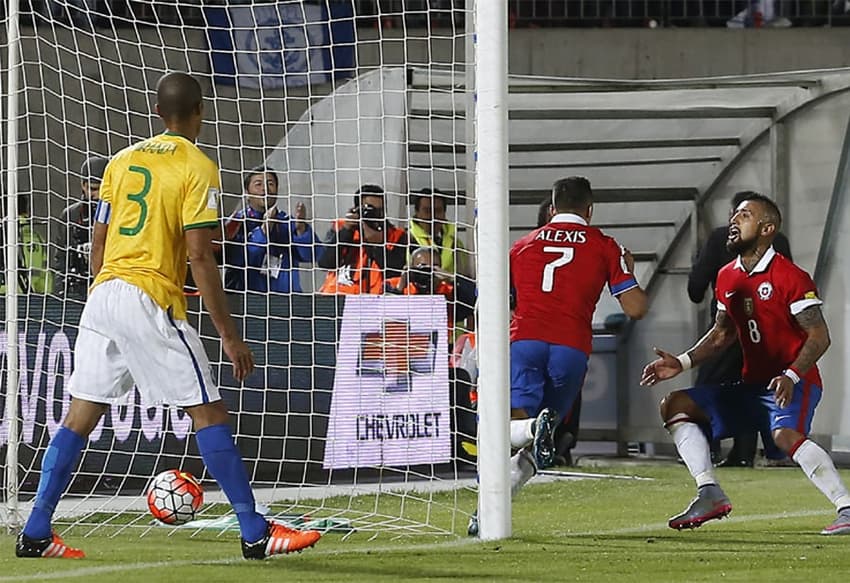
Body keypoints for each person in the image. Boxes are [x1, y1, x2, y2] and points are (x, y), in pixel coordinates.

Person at [15, 72, 321, 561]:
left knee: (80, 413)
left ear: (158, 114)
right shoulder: (199, 167)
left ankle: (35, 531)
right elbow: (200, 257)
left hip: (104, 293)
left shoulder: (121, 160)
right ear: (200, 112)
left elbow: (99, 238)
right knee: (209, 411)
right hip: (147, 296)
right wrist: (229, 335)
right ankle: (254, 531)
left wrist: (105, 292)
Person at [640, 193, 850, 535]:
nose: (734, 221)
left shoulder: (790, 276)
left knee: (784, 436)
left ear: (767, 228)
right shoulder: (727, 276)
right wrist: (681, 361)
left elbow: (819, 336)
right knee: (675, 404)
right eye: (734, 215)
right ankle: (709, 492)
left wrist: (792, 375)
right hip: (753, 386)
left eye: (745, 215)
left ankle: (847, 507)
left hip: (793, 383)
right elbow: (722, 334)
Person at [469, 176, 648, 537]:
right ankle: (486, 512)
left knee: (505, 429)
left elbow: (491, 305)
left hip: (524, 343)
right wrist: (626, 268)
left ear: (551, 209)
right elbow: (636, 308)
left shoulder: (520, 246)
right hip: (571, 348)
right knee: (541, 441)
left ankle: (491, 500)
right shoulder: (606, 246)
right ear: (590, 210)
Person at [688, 190, 793, 468]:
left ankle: (706, 449)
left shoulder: (719, 239)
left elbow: (695, 289)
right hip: (768, 333)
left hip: (728, 328)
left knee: (708, 386)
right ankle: (755, 452)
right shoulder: (778, 240)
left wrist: (698, 263)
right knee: (758, 387)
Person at [222, 167, 322, 293]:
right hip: (246, 301)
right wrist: (263, 232)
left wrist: (302, 230)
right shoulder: (237, 222)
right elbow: (236, 258)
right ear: (247, 192)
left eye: (270, 184)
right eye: (258, 184)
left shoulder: (286, 222)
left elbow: (315, 255)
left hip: (286, 300)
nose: (265, 189)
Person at [318, 184, 408, 294]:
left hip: (376, 302)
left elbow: (396, 271)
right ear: (357, 209)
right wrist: (346, 232)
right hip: (339, 298)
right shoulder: (340, 227)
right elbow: (325, 263)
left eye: (379, 210)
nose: (375, 214)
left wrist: (376, 245)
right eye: (370, 209)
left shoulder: (396, 235)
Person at [385, 246, 475, 339]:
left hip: (440, 348)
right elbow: (384, 314)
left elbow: (474, 301)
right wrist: (400, 288)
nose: (428, 273)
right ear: (411, 267)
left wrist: (452, 278)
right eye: (422, 267)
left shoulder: (448, 291)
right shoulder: (393, 284)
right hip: (401, 346)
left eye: (434, 267)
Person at [52, 155, 109, 299]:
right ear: (83, 186)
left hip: (110, 287)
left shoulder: (120, 213)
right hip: (78, 291)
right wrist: (60, 293)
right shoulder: (71, 215)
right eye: (93, 189)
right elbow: (61, 260)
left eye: (103, 189)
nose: (98, 195)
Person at [408, 188, 471, 277]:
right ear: (417, 213)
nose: (432, 216)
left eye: (438, 211)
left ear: (444, 213)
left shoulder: (456, 244)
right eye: (427, 211)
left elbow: (464, 276)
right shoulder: (405, 240)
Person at [0, 194, 53, 294]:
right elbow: (44, 274)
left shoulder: (5, 236)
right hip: (32, 296)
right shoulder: (37, 237)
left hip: (5, 293)